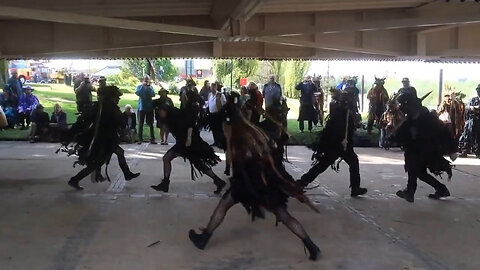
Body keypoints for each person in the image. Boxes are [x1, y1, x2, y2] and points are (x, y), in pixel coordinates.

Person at [189, 99, 321, 261]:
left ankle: (204, 238)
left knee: (223, 204)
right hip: (266, 182)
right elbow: (270, 153)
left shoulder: (236, 133)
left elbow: (234, 157)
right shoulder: (256, 129)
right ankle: (311, 246)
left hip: (248, 182)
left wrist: (231, 164)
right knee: (283, 215)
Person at [61, 86, 140, 190]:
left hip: (104, 139)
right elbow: (120, 121)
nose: (118, 99)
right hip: (104, 141)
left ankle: (127, 174)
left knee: (118, 153)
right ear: (111, 97)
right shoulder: (110, 107)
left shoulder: (100, 106)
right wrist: (124, 118)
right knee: (96, 164)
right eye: (116, 97)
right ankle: (75, 180)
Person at [297, 88, 368, 197]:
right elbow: (336, 130)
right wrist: (342, 140)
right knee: (323, 165)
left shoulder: (346, 112)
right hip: (337, 145)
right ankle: (301, 183)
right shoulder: (342, 113)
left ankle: (355, 188)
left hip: (342, 145)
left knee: (348, 163)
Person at [390, 92, 456, 203]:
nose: (401, 108)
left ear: (410, 105)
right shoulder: (409, 120)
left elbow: (444, 132)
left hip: (428, 150)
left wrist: (452, 149)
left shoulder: (429, 118)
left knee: (414, 168)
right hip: (415, 149)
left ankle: (410, 191)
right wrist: (391, 138)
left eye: (403, 105)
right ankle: (441, 189)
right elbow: (400, 134)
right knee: (419, 173)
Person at [150, 102, 226, 194]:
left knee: (196, 163)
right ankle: (218, 181)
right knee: (169, 159)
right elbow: (169, 129)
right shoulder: (167, 117)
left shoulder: (176, 113)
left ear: (164, 109)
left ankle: (219, 181)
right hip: (182, 143)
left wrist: (189, 138)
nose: (160, 113)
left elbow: (190, 124)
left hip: (190, 143)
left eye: (160, 111)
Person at [459, 84, 480, 158]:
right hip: (472, 121)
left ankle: (478, 152)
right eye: (477, 90)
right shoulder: (473, 99)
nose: (478, 91)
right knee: (467, 136)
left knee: (478, 138)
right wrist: (472, 108)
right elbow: (467, 107)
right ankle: (465, 151)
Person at [136, 75, 156, 144]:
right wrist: (143, 86)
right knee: (140, 124)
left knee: (151, 124)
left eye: (148, 80)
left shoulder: (151, 87)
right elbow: (138, 93)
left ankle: (152, 139)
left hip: (149, 107)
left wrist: (149, 88)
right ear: (143, 80)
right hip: (142, 108)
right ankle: (140, 139)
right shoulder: (139, 87)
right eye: (145, 80)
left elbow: (153, 94)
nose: (147, 81)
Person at [208, 82, 226, 147]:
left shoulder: (221, 95)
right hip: (211, 114)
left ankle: (220, 142)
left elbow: (224, 104)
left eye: (213, 87)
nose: (212, 89)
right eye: (211, 87)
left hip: (218, 115)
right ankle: (215, 141)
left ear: (216, 88)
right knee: (213, 129)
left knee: (219, 129)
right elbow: (208, 103)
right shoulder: (210, 95)